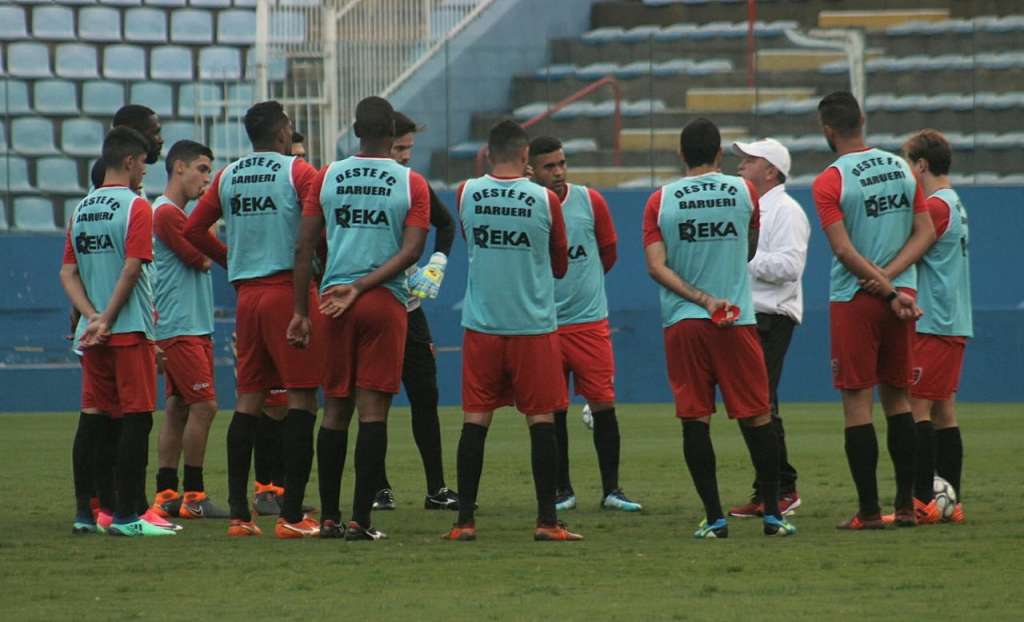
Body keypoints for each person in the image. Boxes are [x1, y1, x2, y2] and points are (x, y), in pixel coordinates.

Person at [642, 118, 797, 539]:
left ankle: (714, 519)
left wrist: (699, 298)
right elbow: (749, 249)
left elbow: (656, 266)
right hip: (736, 320)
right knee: (758, 416)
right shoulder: (744, 191)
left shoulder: (660, 200)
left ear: (681, 154)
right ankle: (772, 515)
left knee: (695, 419)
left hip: (684, 322)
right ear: (718, 155)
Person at [289, 96, 430, 540]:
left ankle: (329, 518)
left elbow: (304, 247)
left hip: (333, 302)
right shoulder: (411, 182)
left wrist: (300, 311)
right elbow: (412, 250)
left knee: (334, 410)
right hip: (382, 302)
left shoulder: (327, 175)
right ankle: (361, 521)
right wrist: (365, 286)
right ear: (392, 134)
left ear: (355, 131)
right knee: (373, 414)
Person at [184, 101, 325, 538]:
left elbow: (193, 230)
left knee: (248, 401)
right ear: (282, 132)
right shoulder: (298, 172)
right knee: (302, 400)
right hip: (288, 291)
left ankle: (240, 516)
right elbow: (315, 233)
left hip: (247, 296)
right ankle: (292, 515)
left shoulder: (228, 175)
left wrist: (232, 260)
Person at [442, 120, 582, 542]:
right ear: (525, 156)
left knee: (475, 419)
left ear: (487, 153)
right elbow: (560, 264)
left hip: (482, 325)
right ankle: (547, 522)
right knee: (541, 420)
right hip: (532, 326)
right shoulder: (545, 199)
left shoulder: (466, 192)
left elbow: (471, 240)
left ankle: (464, 522)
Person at [810, 92, 935, 530]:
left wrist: (880, 284)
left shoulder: (830, 180)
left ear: (828, 130)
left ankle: (868, 511)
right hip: (903, 299)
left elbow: (843, 251)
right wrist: (894, 283)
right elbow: (925, 232)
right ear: (862, 119)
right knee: (899, 399)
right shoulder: (902, 167)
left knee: (857, 402)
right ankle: (905, 507)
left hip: (856, 298)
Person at [63, 127, 172, 537]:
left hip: (92, 336)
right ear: (129, 161)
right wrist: (108, 317)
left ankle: (94, 512)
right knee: (136, 419)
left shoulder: (81, 209)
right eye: (143, 163)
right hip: (127, 329)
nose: (145, 171)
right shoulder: (136, 206)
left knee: (98, 420)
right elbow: (131, 268)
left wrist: (91, 317)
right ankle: (128, 515)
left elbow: (67, 272)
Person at [527, 135, 641, 513]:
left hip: (589, 322)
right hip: (545, 325)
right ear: (531, 170)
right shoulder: (527, 206)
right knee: (553, 409)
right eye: (549, 166)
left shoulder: (591, 202)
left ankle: (612, 490)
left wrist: (582, 287)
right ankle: (563, 490)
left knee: (603, 404)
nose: (559, 172)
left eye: (562, 163)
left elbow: (608, 254)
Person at [371, 111, 460, 512]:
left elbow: (446, 224)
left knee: (425, 395)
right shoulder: (359, 184)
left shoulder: (413, 183)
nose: (406, 155)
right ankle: (378, 487)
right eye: (399, 147)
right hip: (374, 306)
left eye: (409, 147)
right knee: (374, 400)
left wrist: (437, 263)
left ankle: (436, 488)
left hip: (409, 308)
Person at [147, 140, 231, 521]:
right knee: (205, 405)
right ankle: (194, 495)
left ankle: (167, 493)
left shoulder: (172, 214)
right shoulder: (167, 214)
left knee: (179, 407)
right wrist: (210, 216)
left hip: (187, 323)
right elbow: (202, 257)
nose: (205, 178)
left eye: (209, 171)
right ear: (178, 167)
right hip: (181, 325)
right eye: (201, 169)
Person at [889, 130, 970, 524]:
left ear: (921, 165)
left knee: (916, 406)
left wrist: (879, 276)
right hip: (952, 319)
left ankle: (922, 500)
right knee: (943, 411)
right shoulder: (954, 202)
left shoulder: (936, 207)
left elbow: (909, 250)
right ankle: (950, 501)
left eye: (907, 162)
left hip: (934, 320)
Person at [728, 138, 809, 518]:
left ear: (771, 170)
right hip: (751, 314)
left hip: (771, 316)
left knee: (760, 403)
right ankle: (769, 489)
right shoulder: (754, 208)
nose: (741, 165)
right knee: (755, 404)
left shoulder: (787, 211)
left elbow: (790, 267)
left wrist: (742, 260)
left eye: (750, 160)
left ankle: (782, 488)